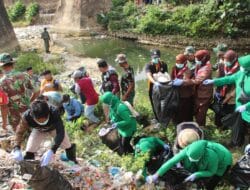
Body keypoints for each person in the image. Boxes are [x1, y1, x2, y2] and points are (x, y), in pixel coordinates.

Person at [11, 100, 77, 165]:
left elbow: (60, 132)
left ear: (48, 114)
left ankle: (72, 159)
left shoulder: (54, 112)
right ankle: (29, 165)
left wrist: (52, 150)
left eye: (44, 120)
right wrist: (16, 147)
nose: (42, 122)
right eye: (39, 120)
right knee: (30, 148)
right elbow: (19, 132)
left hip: (54, 129)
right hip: (38, 130)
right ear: (33, 116)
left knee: (67, 144)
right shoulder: (26, 116)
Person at [146, 140, 232, 190]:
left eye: (194, 159)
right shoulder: (188, 150)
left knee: (212, 181)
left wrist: (197, 174)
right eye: (190, 157)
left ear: (201, 155)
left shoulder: (211, 156)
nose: (191, 159)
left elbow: (211, 171)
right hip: (205, 159)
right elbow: (171, 162)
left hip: (224, 161)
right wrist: (156, 175)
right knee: (193, 167)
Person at [203, 54, 250, 146]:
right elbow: (228, 79)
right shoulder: (241, 73)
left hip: (247, 107)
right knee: (237, 126)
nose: (241, 68)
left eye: (243, 66)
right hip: (240, 107)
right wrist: (214, 81)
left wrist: (246, 106)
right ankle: (236, 143)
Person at [0, 53, 39, 132]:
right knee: (35, 135)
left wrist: (4, 123)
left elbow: (3, 105)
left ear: (2, 66)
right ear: (12, 64)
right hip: (28, 112)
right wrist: (30, 101)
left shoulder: (1, 83)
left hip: (15, 118)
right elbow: (37, 91)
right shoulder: (24, 75)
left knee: (20, 139)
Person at [173, 50, 213, 126]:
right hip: (197, 92)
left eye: (197, 58)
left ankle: (200, 128)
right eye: (196, 58)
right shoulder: (200, 64)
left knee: (201, 114)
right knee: (195, 111)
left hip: (204, 94)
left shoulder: (207, 68)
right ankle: (196, 125)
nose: (196, 60)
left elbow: (197, 80)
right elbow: (194, 74)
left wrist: (182, 82)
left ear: (203, 59)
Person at [213, 50, 239, 128]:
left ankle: (226, 127)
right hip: (220, 92)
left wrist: (229, 97)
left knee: (228, 111)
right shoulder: (221, 65)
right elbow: (218, 79)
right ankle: (218, 126)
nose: (225, 62)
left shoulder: (239, 69)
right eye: (224, 60)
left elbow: (238, 86)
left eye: (227, 61)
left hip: (231, 94)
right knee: (218, 110)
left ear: (234, 60)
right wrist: (215, 91)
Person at [145, 49, 168, 123]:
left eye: (157, 57)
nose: (155, 59)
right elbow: (149, 75)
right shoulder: (149, 65)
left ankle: (163, 117)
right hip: (152, 87)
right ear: (151, 57)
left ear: (159, 57)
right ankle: (157, 118)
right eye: (154, 57)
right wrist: (155, 82)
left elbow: (166, 75)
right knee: (154, 103)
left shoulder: (163, 64)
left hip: (162, 87)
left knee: (162, 102)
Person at [171, 54, 194, 124]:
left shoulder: (187, 71)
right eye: (177, 61)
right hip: (176, 93)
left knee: (185, 111)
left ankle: (187, 124)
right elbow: (171, 77)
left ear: (184, 62)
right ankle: (176, 123)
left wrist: (180, 82)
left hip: (185, 94)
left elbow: (186, 81)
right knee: (176, 110)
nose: (178, 63)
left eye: (179, 62)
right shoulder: (174, 68)